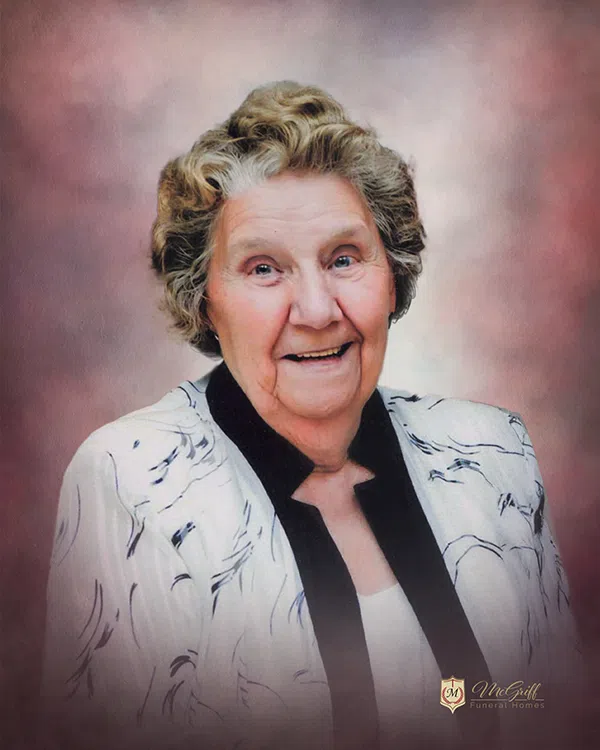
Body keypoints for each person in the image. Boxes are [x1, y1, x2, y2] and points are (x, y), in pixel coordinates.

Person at [42, 81, 582, 750]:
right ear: (204, 299)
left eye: (344, 259)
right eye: (264, 269)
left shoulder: (494, 455)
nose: (318, 310)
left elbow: (556, 720)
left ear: (393, 276)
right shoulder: (132, 483)